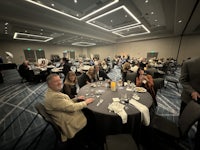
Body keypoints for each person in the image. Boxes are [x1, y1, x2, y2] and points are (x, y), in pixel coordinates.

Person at [44, 74, 94, 143]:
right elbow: (72, 107)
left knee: (88, 112)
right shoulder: (54, 97)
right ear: (49, 84)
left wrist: (76, 99)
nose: (59, 82)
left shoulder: (52, 92)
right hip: (68, 122)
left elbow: (64, 104)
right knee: (91, 116)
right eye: (55, 81)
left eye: (59, 80)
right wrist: (86, 102)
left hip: (64, 114)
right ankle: (88, 138)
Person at [179, 57, 200, 150]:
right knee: (184, 120)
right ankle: (181, 137)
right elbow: (183, 80)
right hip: (189, 97)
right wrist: (192, 91)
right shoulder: (189, 63)